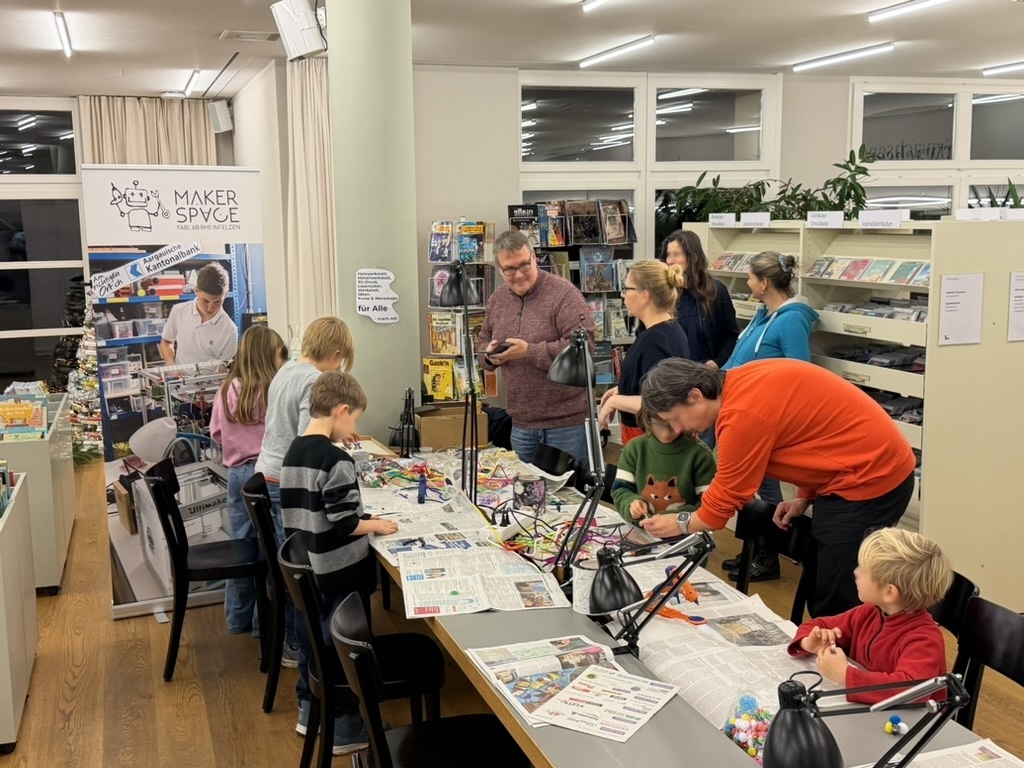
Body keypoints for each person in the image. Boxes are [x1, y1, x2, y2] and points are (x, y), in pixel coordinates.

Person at [638, 357, 916, 618]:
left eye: (675, 417)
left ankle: (854, 650)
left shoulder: (741, 415)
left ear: (695, 396)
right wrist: (806, 495)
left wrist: (680, 522)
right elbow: (811, 432)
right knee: (824, 585)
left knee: (837, 599)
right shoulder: (740, 382)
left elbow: (720, 506)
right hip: (858, 469)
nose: (677, 428)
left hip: (872, 478)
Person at [280, 371, 398, 755]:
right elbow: (346, 524)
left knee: (313, 640)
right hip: (339, 571)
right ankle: (345, 724)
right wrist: (376, 524)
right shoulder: (337, 461)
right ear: (342, 410)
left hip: (308, 567)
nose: (354, 429)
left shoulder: (294, 451)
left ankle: (309, 705)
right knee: (341, 646)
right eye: (355, 419)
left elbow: (316, 510)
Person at [255, 316, 356, 667]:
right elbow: (308, 442)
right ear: (337, 354)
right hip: (287, 481)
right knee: (303, 570)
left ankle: (290, 640)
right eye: (342, 362)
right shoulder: (315, 380)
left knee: (289, 565)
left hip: (269, 472)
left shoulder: (287, 370)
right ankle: (296, 645)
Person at [719, 251, 818, 583]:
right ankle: (756, 546)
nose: (747, 283)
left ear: (764, 283)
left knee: (766, 486)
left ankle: (769, 552)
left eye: (750, 278)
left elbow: (799, 374)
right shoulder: (764, 315)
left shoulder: (791, 320)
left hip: (765, 417)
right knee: (755, 485)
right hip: (744, 408)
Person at [788, 528, 952, 704]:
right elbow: (819, 624)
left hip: (907, 719)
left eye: (864, 570)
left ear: (889, 592)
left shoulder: (924, 639)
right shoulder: (869, 612)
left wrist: (845, 675)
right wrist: (808, 642)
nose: (856, 572)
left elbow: (910, 692)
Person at [477, 229, 595, 465]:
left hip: (566, 424)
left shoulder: (564, 294)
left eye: (524, 265)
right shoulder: (498, 299)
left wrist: (529, 352)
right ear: (498, 268)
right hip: (521, 424)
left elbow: (584, 348)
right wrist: (489, 356)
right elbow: (482, 342)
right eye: (510, 269)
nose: (519, 274)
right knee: (525, 488)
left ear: (534, 257)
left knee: (567, 488)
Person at [209, 325, 287, 636]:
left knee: (241, 548)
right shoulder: (273, 390)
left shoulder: (227, 389)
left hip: (237, 476)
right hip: (268, 475)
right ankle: (262, 624)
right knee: (272, 549)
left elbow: (216, 433)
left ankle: (237, 619)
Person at [598, 260, 690, 445]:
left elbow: (662, 405)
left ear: (645, 295)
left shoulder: (655, 341)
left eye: (627, 289)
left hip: (648, 439)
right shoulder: (666, 330)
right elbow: (649, 381)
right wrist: (623, 389)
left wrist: (616, 402)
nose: (622, 295)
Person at [611, 406, 716, 528]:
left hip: (684, 533)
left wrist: (676, 519)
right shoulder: (634, 448)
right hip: (641, 531)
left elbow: (709, 505)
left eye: (674, 424)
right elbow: (620, 490)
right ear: (648, 418)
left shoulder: (700, 454)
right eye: (660, 424)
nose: (666, 433)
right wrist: (631, 503)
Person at [658, 230, 739, 370]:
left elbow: (730, 334)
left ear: (694, 257)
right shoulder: (664, 292)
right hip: (670, 373)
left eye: (676, 254)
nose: (670, 261)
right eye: (668, 255)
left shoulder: (716, 291)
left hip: (705, 372)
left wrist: (718, 362)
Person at [160, 263, 239, 365]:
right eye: (205, 301)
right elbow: (167, 342)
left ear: (226, 294)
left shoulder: (230, 330)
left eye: (217, 302)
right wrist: (172, 367)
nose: (210, 308)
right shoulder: (178, 311)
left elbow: (226, 367)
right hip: (181, 375)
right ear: (196, 290)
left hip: (212, 376)